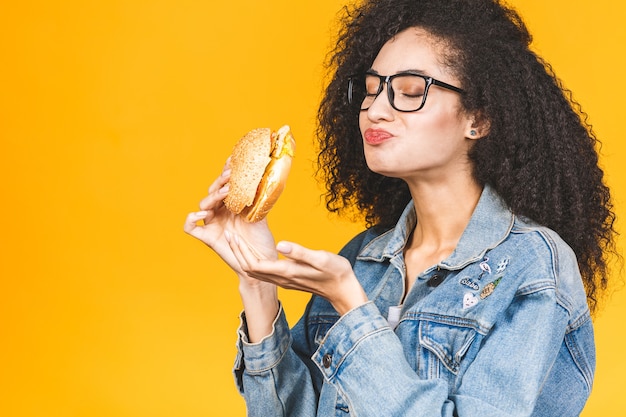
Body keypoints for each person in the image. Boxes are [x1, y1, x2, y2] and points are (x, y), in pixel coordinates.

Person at [184, 0, 619, 415]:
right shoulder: (361, 259)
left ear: (479, 119)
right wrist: (256, 281)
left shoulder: (531, 266)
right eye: (371, 90)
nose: (375, 110)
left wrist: (353, 309)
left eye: (410, 90)